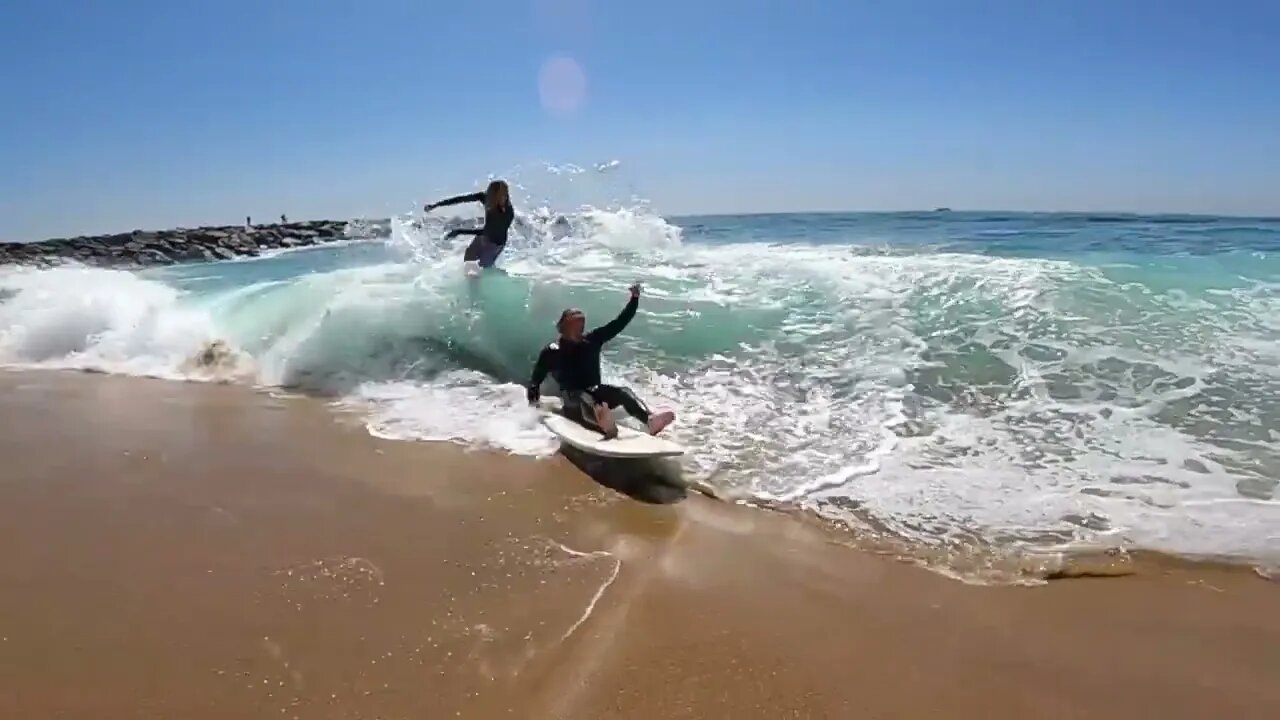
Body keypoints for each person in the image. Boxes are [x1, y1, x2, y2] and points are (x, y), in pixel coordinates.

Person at [527, 283, 675, 438]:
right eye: (575, 325)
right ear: (563, 326)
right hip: (573, 401)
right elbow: (535, 381)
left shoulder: (592, 340)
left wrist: (634, 299)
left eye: (581, 325)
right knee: (584, 398)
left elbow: (619, 323)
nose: (580, 329)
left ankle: (648, 420)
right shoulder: (552, 351)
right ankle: (604, 425)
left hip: (596, 393)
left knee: (623, 393)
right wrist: (533, 409)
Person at [423, 179, 515, 268]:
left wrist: (459, 231)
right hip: (485, 237)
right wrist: (436, 205)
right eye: (489, 193)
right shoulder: (486, 198)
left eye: (492, 195)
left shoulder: (506, 213)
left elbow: (487, 231)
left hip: (496, 244)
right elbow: (460, 199)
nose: (489, 197)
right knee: (469, 258)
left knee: (483, 267)